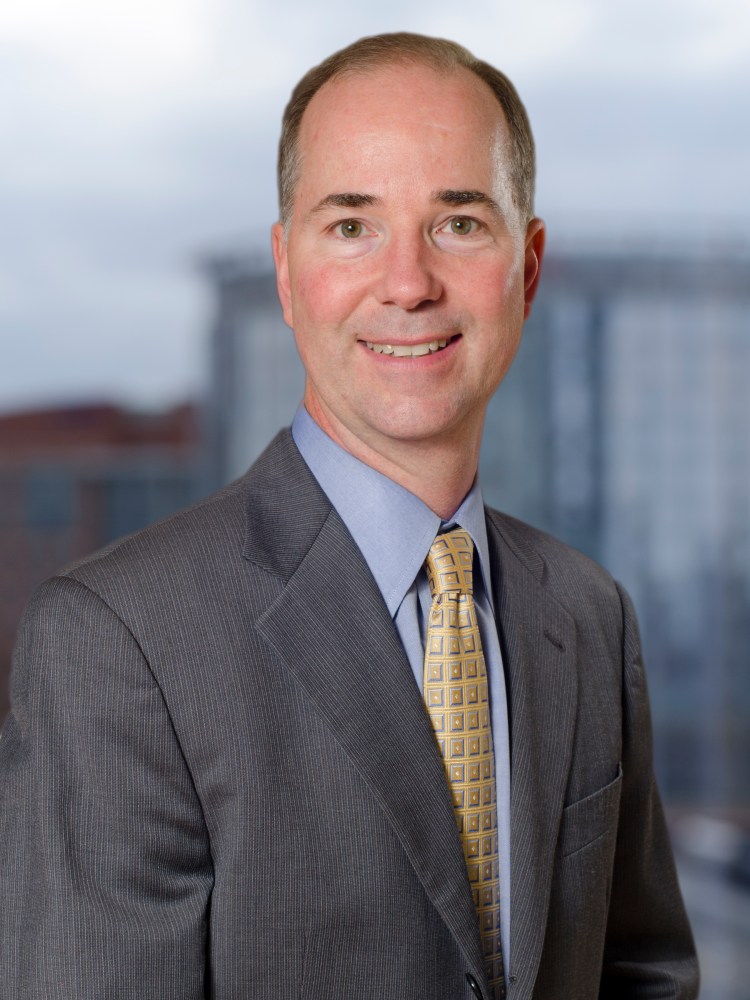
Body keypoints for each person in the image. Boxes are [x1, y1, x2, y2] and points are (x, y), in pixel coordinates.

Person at [0, 32, 698, 1000]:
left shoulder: (588, 614)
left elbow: (642, 972)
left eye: (460, 222)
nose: (408, 283)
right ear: (287, 273)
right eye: (352, 226)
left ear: (528, 269)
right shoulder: (120, 640)